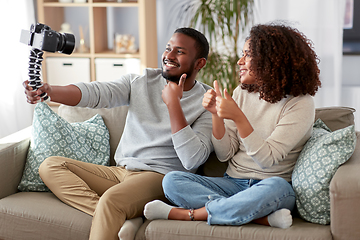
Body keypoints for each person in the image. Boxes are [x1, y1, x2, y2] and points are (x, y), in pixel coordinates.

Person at [23, 27, 214, 240]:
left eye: (179, 52)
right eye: (168, 48)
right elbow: (96, 93)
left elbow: (192, 160)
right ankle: (126, 216)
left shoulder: (207, 101)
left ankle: (116, 210)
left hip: (160, 178)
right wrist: (50, 92)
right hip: (120, 172)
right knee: (50, 166)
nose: (168, 56)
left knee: (111, 201)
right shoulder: (141, 81)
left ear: (199, 63)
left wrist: (173, 106)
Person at [143, 22, 322, 229]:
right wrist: (216, 115)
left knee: (277, 187)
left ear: (271, 61)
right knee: (172, 181)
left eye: (247, 55)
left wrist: (238, 117)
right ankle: (257, 217)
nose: (240, 61)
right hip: (232, 183)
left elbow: (267, 159)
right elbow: (224, 154)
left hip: (270, 186)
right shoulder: (242, 93)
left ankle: (187, 215)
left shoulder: (300, 103)